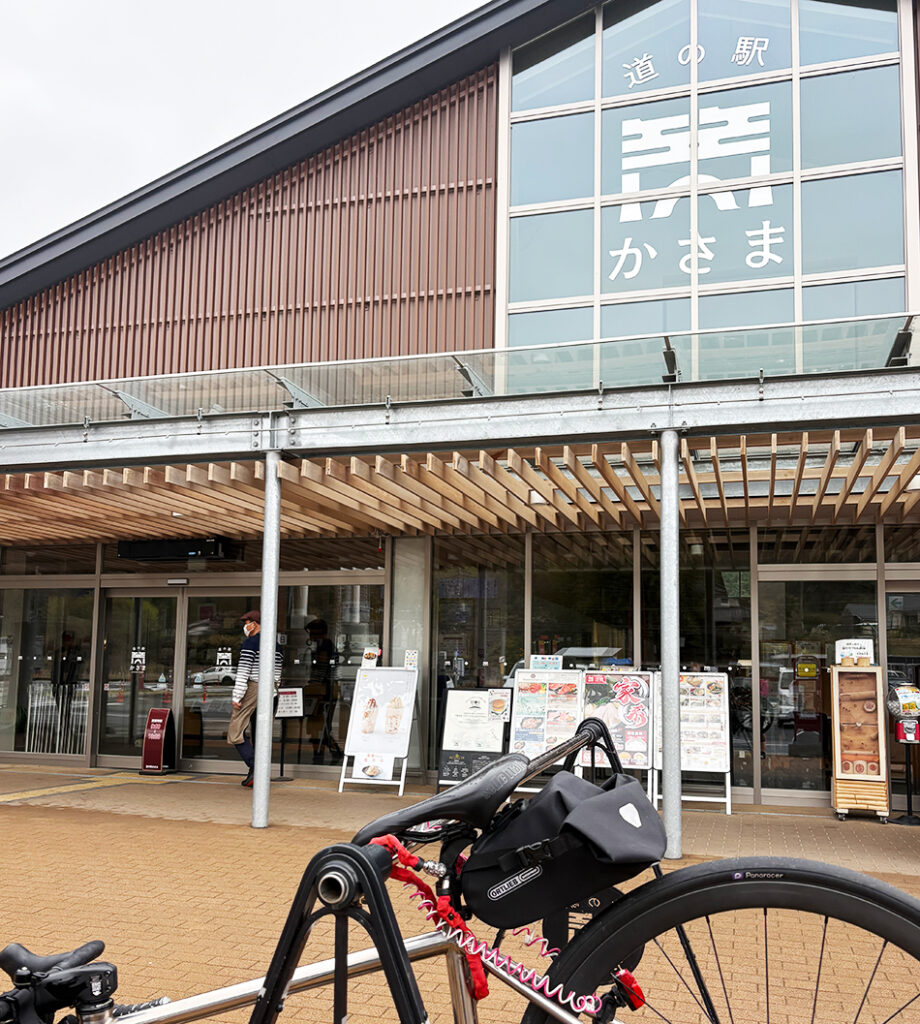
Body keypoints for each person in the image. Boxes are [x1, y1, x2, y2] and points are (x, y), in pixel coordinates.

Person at [227, 610, 282, 787]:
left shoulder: (251, 643)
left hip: (254, 687)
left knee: (236, 730)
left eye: (247, 623)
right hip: (272, 690)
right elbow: (278, 674)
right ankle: (256, 774)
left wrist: (237, 696)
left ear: (255, 624)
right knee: (261, 734)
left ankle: (256, 767)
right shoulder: (275, 645)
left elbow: (243, 672)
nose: (246, 626)